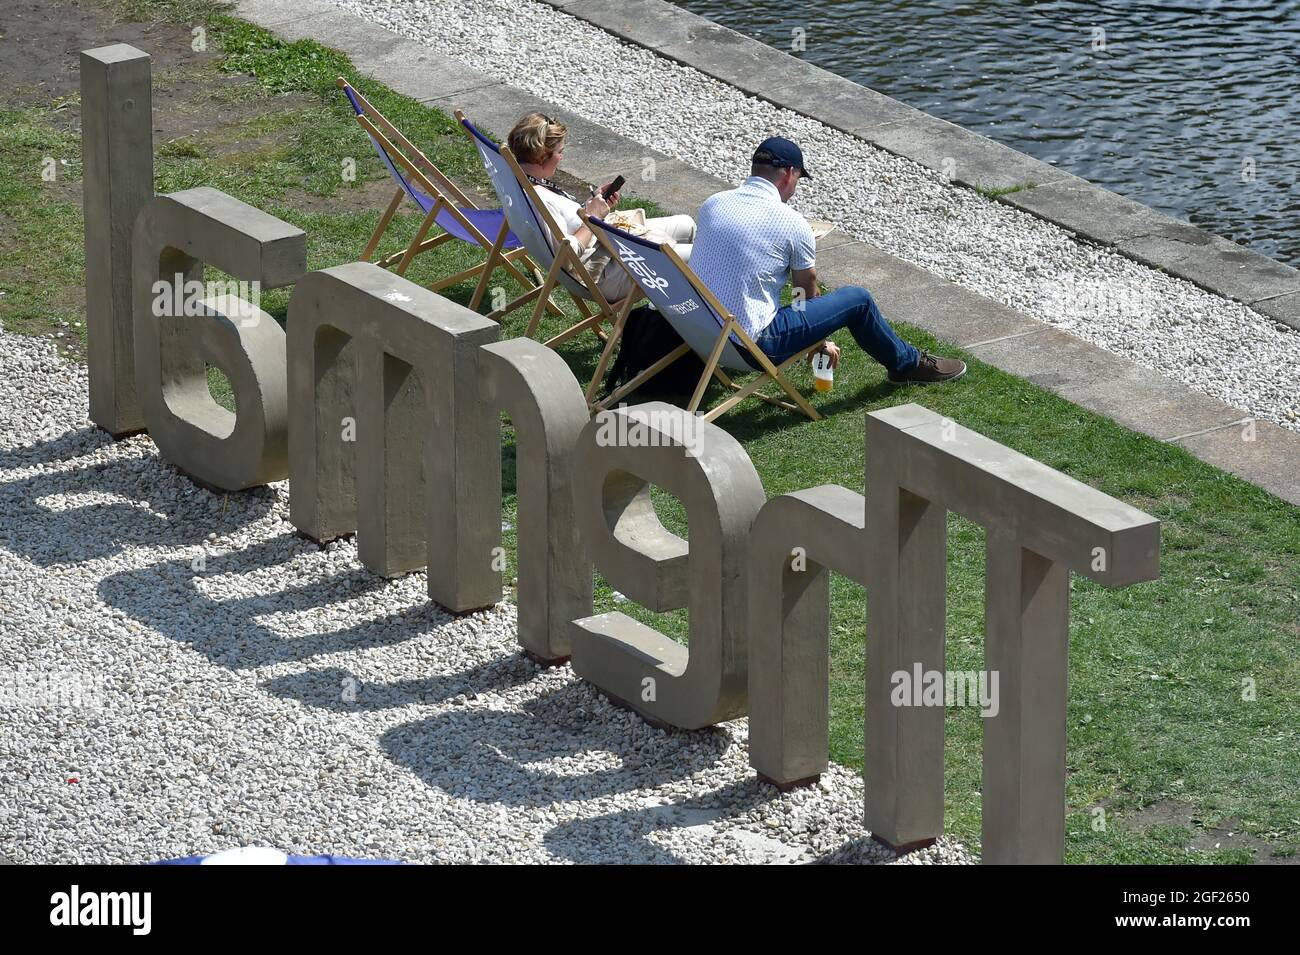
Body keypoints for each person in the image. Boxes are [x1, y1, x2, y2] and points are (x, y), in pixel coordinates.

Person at [688, 137, 966, 385]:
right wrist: (818, 342)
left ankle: (906, 363)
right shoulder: (792, 223)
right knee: (858, 299)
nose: (794, 189)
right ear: (788, 173)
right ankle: (906, 365)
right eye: (797, 179)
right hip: (751, 346)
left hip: (697, 333)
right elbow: (805, 296)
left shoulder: (714, 203)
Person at [508, 113, 696, 303]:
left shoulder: (523, 185)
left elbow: (562, 224)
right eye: (559, 152)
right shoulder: (540, 200)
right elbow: (565, 256)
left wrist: (593, 201)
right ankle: (711, 318)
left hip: (607, 249)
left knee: (687, 224)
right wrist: (593, 217)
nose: (562, 157)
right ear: (542, 156)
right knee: (701, 260)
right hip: (605, 273)